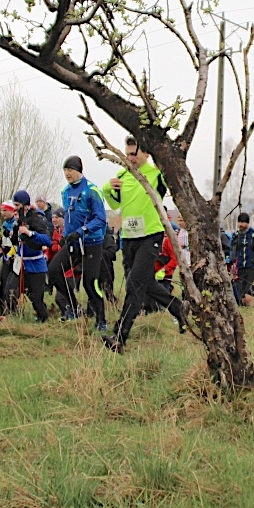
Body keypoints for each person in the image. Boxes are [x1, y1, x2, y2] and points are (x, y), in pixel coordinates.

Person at [102, 136, 188, 353]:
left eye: (134, 154)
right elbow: (114, 203)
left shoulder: (156, 175)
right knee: (146, 283)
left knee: (134, 285)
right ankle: (180, 309)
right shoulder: (122, 175)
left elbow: (174, 188)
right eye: (127, 154)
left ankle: (119, 337)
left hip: (151, 237)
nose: (130, 158)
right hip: (129, 238)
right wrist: (107, 188)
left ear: (147, 153)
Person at [50, 156, 109, 329]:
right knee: (54, 271)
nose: (67, 173)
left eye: (70, 170)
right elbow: (69, 216)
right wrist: (65, 235)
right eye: (65, 170)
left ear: (78, 170)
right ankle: (74, 308)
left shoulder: (92, 190)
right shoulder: (65, 191)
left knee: (89, 283)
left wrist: (81, 231)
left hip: (91, 242)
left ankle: (101, 320)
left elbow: (101, 219)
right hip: (73, 242)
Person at [5, 190, 53, 322]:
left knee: (36, 299)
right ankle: (13, 320)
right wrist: (13, 234)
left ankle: (43, 319)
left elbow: (47, 240)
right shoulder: (18, 219)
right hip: (20, 264)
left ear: (25, 205)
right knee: (10, 292)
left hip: (36, 265)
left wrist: (30, 233)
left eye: (17, 205)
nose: (15, 208)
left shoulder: (36, 217)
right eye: (14, 205)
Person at [0, 201, 18, 315]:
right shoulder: (5, 223)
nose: (2, 212)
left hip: (15, 257)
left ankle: (13, 309)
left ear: (12, 211)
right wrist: (1, 250)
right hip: (6, 256)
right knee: (3, 283)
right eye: (1, 210)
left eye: (5, 210)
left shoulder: (16, 223)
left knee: (12, 284)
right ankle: (3, 311)